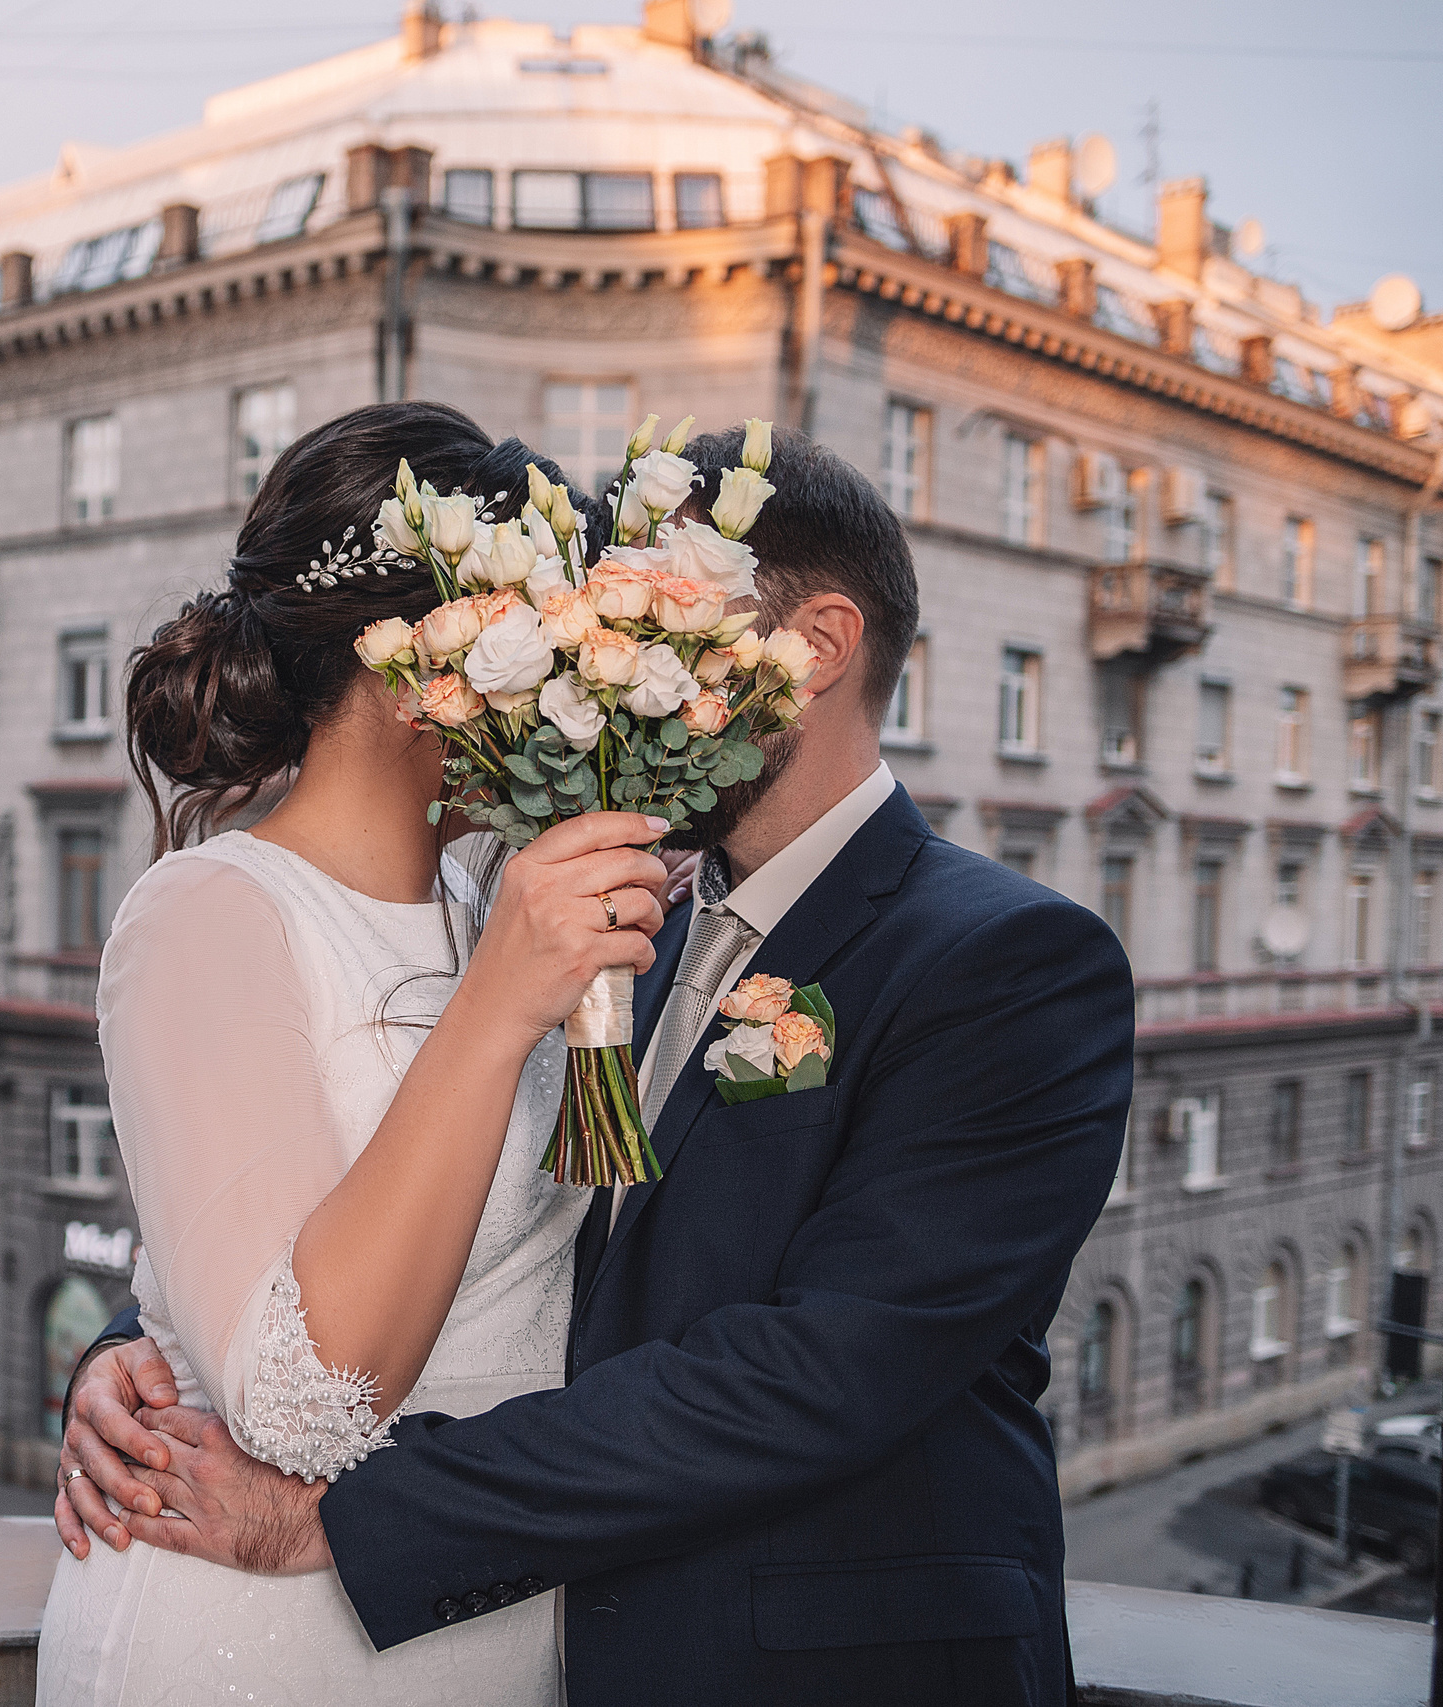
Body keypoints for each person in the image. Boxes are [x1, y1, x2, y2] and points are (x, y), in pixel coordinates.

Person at [58, 424, 1134, 1706]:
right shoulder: (607, 915)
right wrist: (149, 1347)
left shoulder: (1008, 961)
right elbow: (383, 1200)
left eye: (657, 625)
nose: (612, 676)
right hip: (502, 1638)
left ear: (820, 644)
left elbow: (813, 1378)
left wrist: (340, 1520)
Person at [34, 402, 678, 1705]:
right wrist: (496, 1006)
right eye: (542, 640)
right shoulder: (211, 910)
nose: (576, 686)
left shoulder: (507, 895)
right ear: (415, 666)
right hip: (262, 1643)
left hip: (493, 1620)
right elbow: (295, 1401)